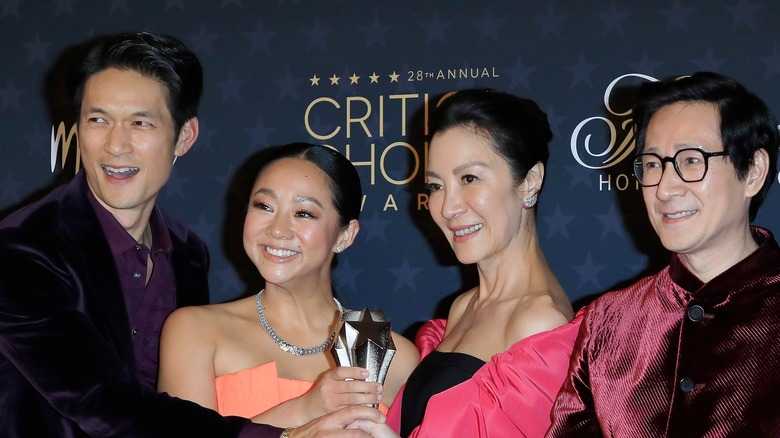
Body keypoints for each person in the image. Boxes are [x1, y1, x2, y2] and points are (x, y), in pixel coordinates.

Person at [0, 31, 383, 437]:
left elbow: (181, 408)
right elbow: (100, 400)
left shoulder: (186, 254)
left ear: (184, 136)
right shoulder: (23, 248)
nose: (115, 145)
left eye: (140, 123)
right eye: (98, 120)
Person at [546, 72, 780, 436]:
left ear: (753, 171)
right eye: (653, 165)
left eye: (690, 160)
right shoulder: (609, 322)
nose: (665, 188)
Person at [158, 143, 419, 429]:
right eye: (264, 206)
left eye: (304, 213)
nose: (278, 229)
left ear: (345, 235)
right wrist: (305, 409)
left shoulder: (383, 351)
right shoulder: (196, 331)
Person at [379, 88, 584, 437]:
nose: (447, 207)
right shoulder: (462, 308)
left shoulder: (539, 324)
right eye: (436, 186)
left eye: (469, 178)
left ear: (530, 181)